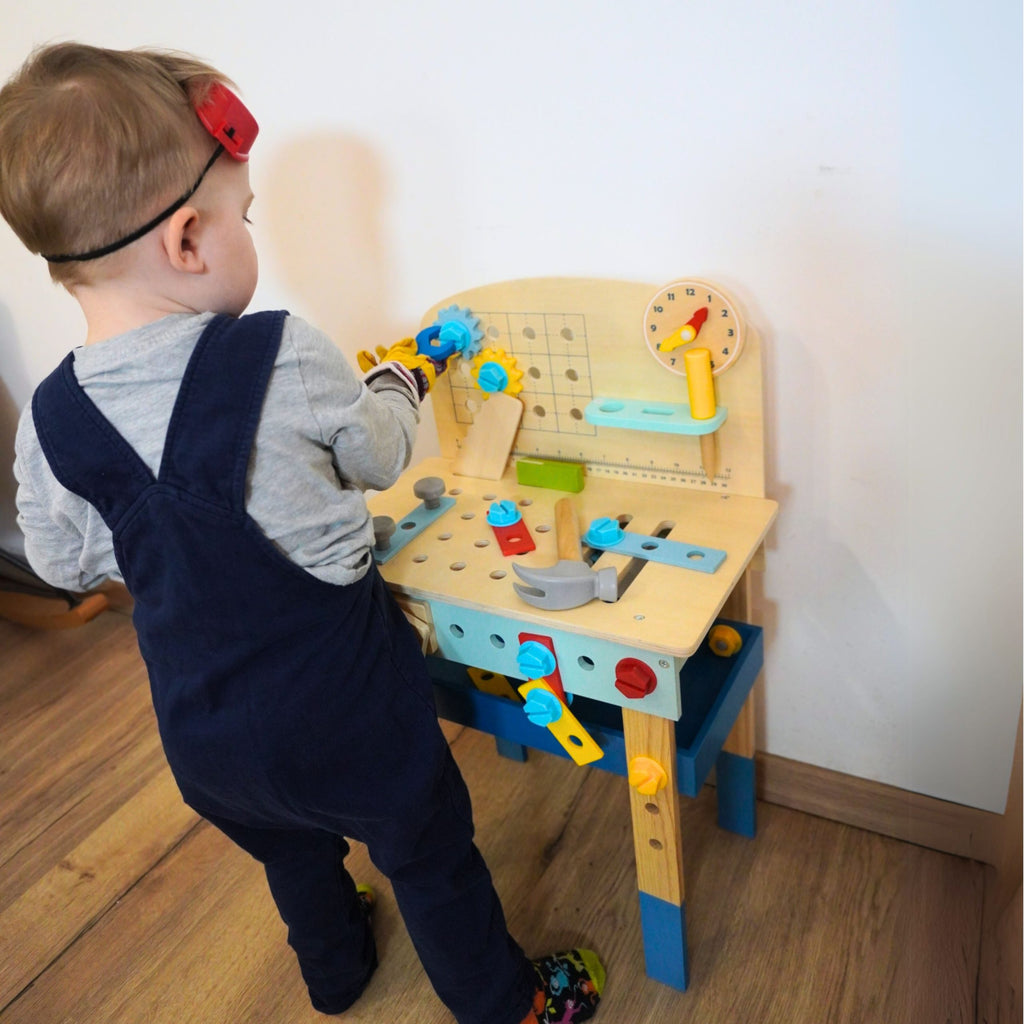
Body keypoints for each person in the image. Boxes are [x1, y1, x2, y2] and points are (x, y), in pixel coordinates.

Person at [0, 43, 605, 1024]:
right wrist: (398, 380)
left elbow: (61, 561)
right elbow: (378, 454)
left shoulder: (50, 420)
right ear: (188, 240)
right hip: (352, 716)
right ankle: (509, 1006)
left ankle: (335, 975)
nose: (250, 234)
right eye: (245, 217)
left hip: (204, 737)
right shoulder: (276, 351)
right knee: (428, 855)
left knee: (291, 850)